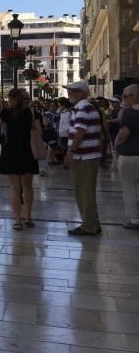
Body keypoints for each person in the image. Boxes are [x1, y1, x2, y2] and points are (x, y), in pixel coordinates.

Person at [0, 88, 39, 230]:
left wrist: (3, 110)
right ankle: (28, 217)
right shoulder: (30, 112)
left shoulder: (6, 112)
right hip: (27, 149)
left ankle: (18, 220)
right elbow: (38, 128)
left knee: (14, 187)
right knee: (28, 186)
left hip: (11, 149)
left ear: (11, 99)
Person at [64, 81, 103, 236]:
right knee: (87, 191)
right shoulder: (85, 107)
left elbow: (80, 132)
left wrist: (71, 151)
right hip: (87, 155)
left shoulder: (84, 107)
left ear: (81, 92)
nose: (69, 94)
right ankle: (93, 223)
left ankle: (88, 225)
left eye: (72, 91)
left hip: (83, 156)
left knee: (83, 191)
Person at [114, 85, 139, 229]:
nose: (123, 100)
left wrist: (117, 143)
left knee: (129, 187)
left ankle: (134, 219)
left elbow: (124, 133)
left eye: (124, 96)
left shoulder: (129, 113)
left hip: (129, 155)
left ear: (133, 96)